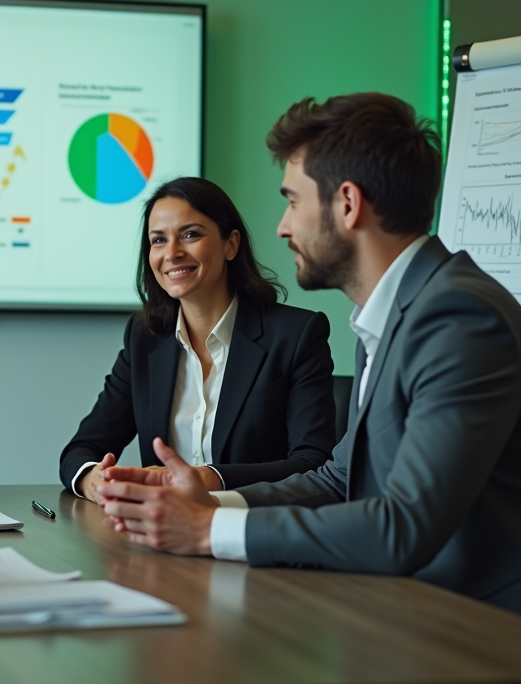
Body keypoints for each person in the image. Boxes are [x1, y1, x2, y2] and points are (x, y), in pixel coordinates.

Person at [98, 92, 521, 620]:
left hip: (490, 634)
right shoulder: (392, 314)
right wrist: (202, 501)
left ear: (348, 204)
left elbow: (403, 527)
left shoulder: (457, 319)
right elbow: (339, 479)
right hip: (412, 615)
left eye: (293, 201)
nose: (283, 227)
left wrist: (207, 529)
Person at [60, 177, 336, 503]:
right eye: (158, 240)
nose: (172, 253)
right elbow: (82, 449)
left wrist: (211, 478)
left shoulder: (296, 335)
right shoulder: (144, 338)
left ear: (231, 244)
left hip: (254, 534)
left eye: (190, 235)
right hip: (162, 536)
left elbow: (313, 464)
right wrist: (94, 476)